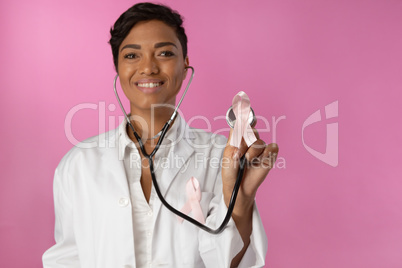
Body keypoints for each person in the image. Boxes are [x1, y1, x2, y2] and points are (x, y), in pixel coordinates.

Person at [43, 2, 279, 268]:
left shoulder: (221, 155)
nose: (148, 68)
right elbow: (67, 259)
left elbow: (231, 263)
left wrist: (241, 196)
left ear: (185, 63)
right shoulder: (78, 164)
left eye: (164, 53)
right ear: (117, 67)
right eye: (132, 56)